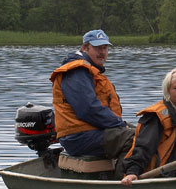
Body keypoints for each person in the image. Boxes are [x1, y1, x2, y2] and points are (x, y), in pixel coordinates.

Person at [50, 29, 135, 163]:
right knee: (135, 138)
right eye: (97, 48)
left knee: (146, 132)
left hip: (92, 131)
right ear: (85, 48)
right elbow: (88, 109)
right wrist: (119, 124)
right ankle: (123, 179)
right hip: (79, 137)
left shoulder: (89, 70)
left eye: (105, 47)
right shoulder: (76, 71)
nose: (102, 52)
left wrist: (120, 125)